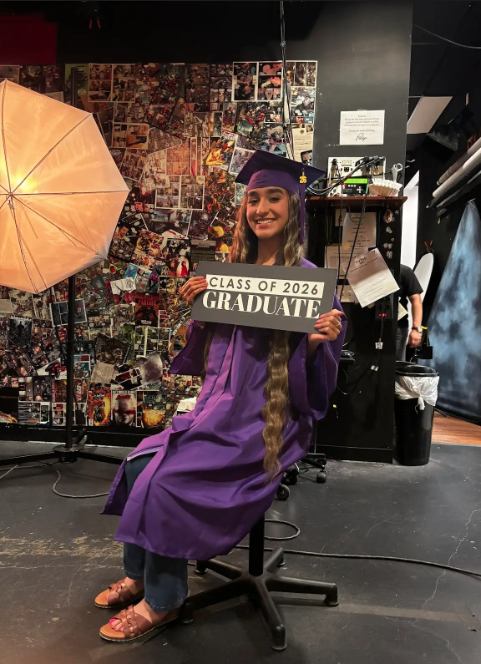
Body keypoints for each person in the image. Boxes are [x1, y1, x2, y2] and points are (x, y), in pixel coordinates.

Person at [97, 151, 346, 642]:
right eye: (253, 199)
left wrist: (318, 344)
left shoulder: (309, 284)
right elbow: (213, 354)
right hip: (216, 409)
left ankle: (164, 600)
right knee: (138, 464)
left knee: (166, 482)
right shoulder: (231, 275)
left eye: (274, 198)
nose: (261, 209)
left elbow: (317, 388)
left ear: (293, 206)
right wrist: (200, 309)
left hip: (265, 421)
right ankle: (140, 574)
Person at [397, 264, 423, 361]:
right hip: (369, 328)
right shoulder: (369, 270)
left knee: (396, 365)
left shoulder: (404, 271)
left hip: (398, 328)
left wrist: (416, 329)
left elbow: (416, 300)